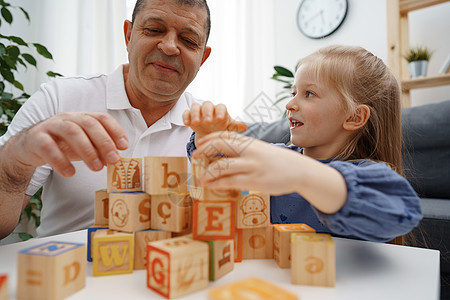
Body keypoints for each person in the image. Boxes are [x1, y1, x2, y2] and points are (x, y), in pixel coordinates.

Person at [0, 0, 247, 240]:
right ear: (128, 35)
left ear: (202, 57)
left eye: (189, 40)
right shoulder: (58, 99)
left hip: (164, 276)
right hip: (67, 273)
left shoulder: (210, 128)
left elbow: (229, 226)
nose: (170, 46)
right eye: (154, 30)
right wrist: (15, 162)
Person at [183, 45, 422, 242]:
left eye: (309, 94)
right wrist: (208, 136)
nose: (290, 104)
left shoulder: (368, 174)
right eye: (293, 92)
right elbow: (222, 171)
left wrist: (303, 174)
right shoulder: (277, 157)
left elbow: (402, 208)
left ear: (354, 117)